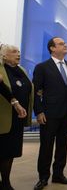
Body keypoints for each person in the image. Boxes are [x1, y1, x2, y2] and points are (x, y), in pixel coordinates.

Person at [33, 37, 67, 190]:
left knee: (62, 145)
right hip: (49, 113)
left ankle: (58, 174)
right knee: (46, 146)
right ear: (52, 48)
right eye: (61, 44)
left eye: (65, 43)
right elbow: (35, 92)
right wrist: (39, 111)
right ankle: (43, 177)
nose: (65, 45)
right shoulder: (42, 67)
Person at [0, 44, 32, 190]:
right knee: (2, 150)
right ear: (4, 56)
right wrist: (15, 103)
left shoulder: (22, 70)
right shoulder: (1, 69)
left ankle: (5, 181)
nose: (18, 54)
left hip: (17, 119)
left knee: (11, 151)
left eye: (19, 51)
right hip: (3, 117)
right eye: (14, 52)